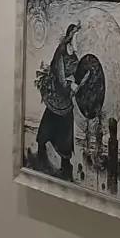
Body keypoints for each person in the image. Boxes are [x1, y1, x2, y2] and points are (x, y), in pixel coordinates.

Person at [36, 23, 83, 179]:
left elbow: (76, 74)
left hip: (66, 101)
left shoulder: (75, 57)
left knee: (66, 130)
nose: (79, 41)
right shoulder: (61, 54)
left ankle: (65, 161)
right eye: (77, 37)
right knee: (48, 125)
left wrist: (77, 83)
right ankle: (41, 150)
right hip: (56, 98)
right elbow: (61, 80)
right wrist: (70, 84)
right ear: (71, 38)